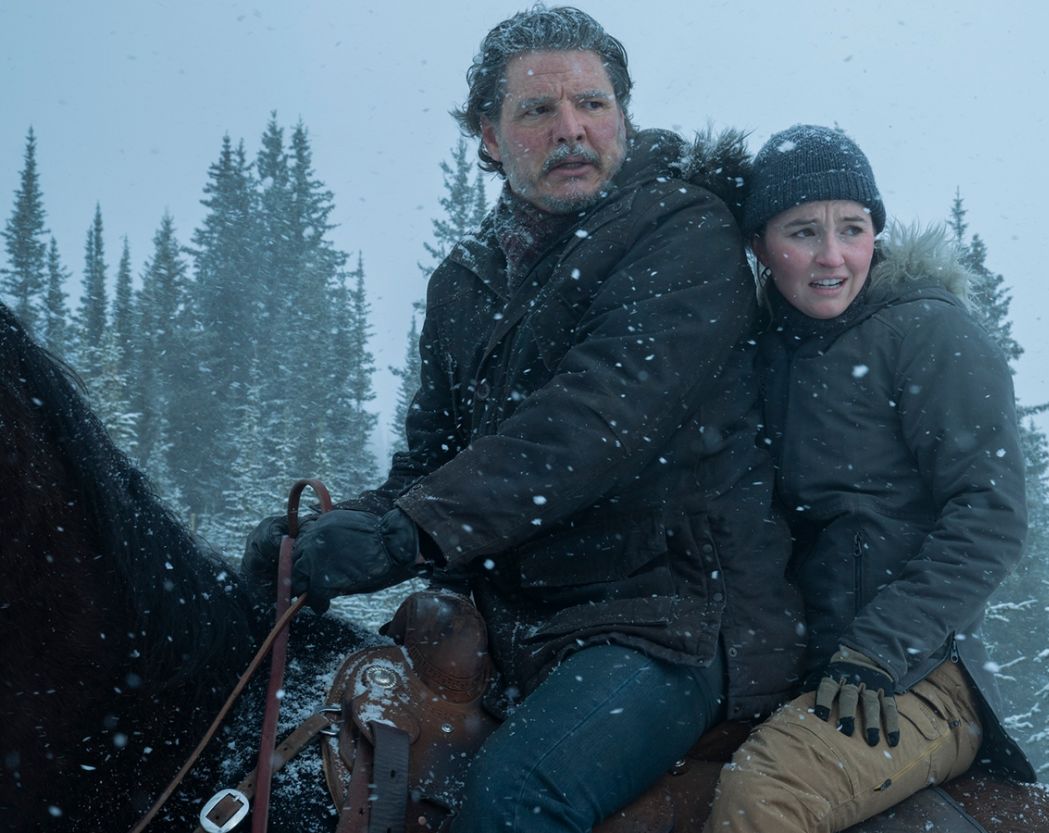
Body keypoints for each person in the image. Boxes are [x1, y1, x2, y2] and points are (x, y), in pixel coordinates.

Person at [243, 7, 801, 831]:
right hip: (515, 622)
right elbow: (428, 466)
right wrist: (325, 534)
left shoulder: (685, 233)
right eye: (538, 110)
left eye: (592, 104)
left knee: (513, 794)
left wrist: (407, 534)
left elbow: (591, 423)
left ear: (624, 114)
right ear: (489, 137)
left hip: (668, 621)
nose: (571, 129)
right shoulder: (466, 282)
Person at [703, 125, 1036, 833]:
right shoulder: (759, 349)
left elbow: (990, 513)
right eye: (803, 231)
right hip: (803, 665)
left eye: (851, 229)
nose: (831, 256)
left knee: (763, 797)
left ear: (875, 236)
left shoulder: (928, 332)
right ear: (761, 245)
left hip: (921, 673)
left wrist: (878, 648)